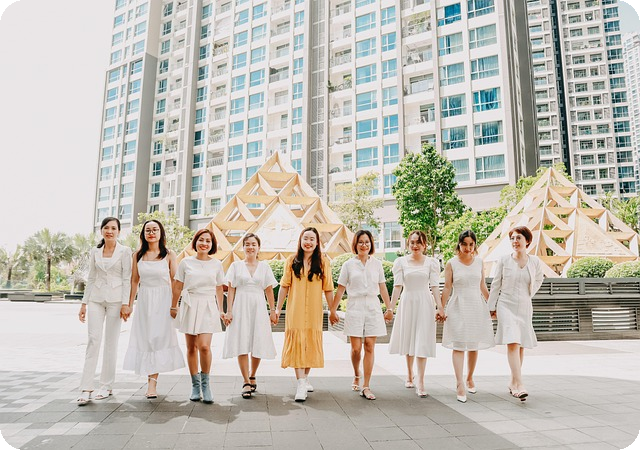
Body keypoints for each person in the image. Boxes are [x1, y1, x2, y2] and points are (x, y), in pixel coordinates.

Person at [122, 220, 185, 398]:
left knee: (158, 339)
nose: (151, 233)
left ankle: (153, 382)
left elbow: (176, 281)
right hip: (145, 300)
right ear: (143, 234)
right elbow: (134, 281)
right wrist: (129, 304)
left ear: (160, 233)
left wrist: (174, 305)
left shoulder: (169, 254)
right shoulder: (137, 255)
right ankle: (151, 382)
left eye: (155, 230)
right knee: (147, 339)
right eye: (148, 230)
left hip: (163, 300)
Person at [329, 230, 393, 401]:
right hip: (355, 306)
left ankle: (366, 385)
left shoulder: (377, 264)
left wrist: (389, 308)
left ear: (371, 244)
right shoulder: (348, 265)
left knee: (370, 346)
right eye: (360, 242)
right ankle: (357, 373)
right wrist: (333, 310)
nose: (364, 245)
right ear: (355, 244)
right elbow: (341, 289)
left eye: (367, 242)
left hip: (372, 306)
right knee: (356, 348)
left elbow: (382, 287)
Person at [76, 217, 132, 405]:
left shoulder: (125, 251)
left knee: (111, 342)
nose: (109, 231)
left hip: (117, 301)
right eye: (106, 228)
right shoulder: (95, 251)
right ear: (101, 231)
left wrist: (126, 303)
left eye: (113, 228)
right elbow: (91, 278)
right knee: (93, 340)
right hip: (96, 299)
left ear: (119, 231)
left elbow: (127, 278)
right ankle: (86, 388)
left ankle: (106, 385)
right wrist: (84, 303)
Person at [274, 227, 334, 402]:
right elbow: (284, 286)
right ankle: (300, 383)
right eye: (305, 238)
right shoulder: (291, 261)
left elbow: (328, 289)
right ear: (300, 241)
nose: (308, 242)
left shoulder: (323, 263)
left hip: (314, 312)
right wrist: (277, 309)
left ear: (317, 243)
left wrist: (332, 310)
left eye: (312, 239)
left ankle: (305, 377)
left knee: (310, 343)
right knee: (298, 342)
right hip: (296, 311)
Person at [487, 226, 544, 401]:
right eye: (512, 238)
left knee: (520, 345)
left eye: (518, 238)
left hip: (525, 306)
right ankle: (520, 384)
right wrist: (491, 307)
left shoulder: (535, 262)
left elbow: (539, 279)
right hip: (506, 304)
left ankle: (513, 382)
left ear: (527, 241)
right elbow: (496, 284)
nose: (515, 241)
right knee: (512, 342)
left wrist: (529, 295)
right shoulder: (504, 260)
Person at [388, 230, 445, 398]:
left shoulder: (431, 263)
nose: (415, 245)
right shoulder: (400, 262)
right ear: (408, 244)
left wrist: (440, 307)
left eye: (418, 242)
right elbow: (397, 287)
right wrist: (390, 308)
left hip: (425, 303)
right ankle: (409, 373)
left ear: (424, 245)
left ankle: (420, 380)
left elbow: (435, 286)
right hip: (408, 302)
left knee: (421, 340)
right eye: (412, 242)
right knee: (409, 338)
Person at [170, 228, 225, 404]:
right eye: (201, 240)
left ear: (212, 244)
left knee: (204, 346)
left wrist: (221, 310)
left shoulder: (216, 264)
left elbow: (219, 288)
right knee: (191, 347)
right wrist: (173, 306)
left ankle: (206, 385)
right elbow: (177, 286)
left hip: (208, 305)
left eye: (208, 241)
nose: (204, 243)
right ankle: (195, 386)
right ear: (196, 242)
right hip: (190, 304)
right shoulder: (186, 262)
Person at [440, 230, 495, 403]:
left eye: (471, 244)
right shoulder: (451, 263)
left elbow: (482, 286)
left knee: (473, 345)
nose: (468, 248)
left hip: (476, 306)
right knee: (458, 345)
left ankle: (470, 378)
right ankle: (459, 384)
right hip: (457, 306)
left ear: (475, 245)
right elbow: (447, 287)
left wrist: (492, 305)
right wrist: (440, 308)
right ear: (459, 244)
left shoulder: (479, 262)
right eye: (464, 244)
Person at [222, 233, 278, 399]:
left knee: (258, 339)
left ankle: (253, 374)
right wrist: (229, 311)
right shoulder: (235, 266)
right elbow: (231, 289)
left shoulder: (265, 267)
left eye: (253, 244)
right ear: (243, 247)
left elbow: (269, 290)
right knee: (241, 340)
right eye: (247, 244)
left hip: (258, 306)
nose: (250, 247)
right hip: (240, 306)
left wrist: (273, 310)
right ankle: (246, 380)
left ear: (258, 247)